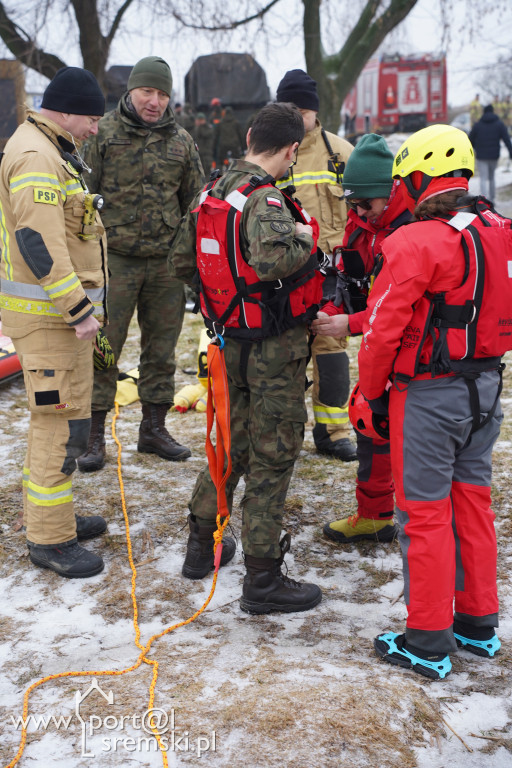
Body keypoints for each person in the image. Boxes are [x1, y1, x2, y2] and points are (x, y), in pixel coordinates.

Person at [358, 124, 506, 679]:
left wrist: (370, 396)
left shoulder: (415, 241)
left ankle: (425, 639)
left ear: (417, 178)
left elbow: (380, 333)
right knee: (472, 503)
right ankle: (478, 624)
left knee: (422, 513)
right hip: (487, 389)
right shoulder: (499, 230)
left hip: (428, 396)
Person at [169, 102, 324, 615]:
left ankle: (201, 547)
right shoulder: (266, 200)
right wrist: (308, 241)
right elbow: (273, 259)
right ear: (291, 149)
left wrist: (221, 304)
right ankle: (262, 579)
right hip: (273, 346)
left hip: (228, 338)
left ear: (250, 134)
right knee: (272, 454)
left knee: (228, 441)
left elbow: (179, 261)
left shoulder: (210, 192)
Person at [0, 67, 108, 578]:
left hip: (57, 321)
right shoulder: (36, 155)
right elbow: (37, 244)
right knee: (58, 427)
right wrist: (78, 309)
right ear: (66, 110)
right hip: (51, 320)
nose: (93, 128)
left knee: (68, 421)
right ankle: (49, 539)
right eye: (91, 118)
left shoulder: (49, 147)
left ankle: (53, 514)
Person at [78, 56, 204, 472]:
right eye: (147, 91)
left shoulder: (182, 141)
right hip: (113, 261)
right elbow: (80, 199)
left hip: (165, 265)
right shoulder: (102, 135)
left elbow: (194, 204)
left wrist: (190, 262)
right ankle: (94, 437)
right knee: (103, 348)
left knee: (162, 351)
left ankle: (153, 429)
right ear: (130, 91)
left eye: (162, 94)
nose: (154, 101)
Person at [311, 134, 411, 543]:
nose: (357, 211)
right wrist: (331, 312)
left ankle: (425, 521)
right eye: (350, 203)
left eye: (364, 203)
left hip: (414, 349)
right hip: (378, 344)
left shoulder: (414, 229)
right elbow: (348, 284)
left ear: (388, 193)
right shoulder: (360, 225)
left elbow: (402, 308)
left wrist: (350, 325)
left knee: (410, 436)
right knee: (371, 420)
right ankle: (374, 515)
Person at [276, 69, 356, 461]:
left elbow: (363, 214)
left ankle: (334, 431)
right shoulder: (269, 155)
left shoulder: (342, 152)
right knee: (285, 354)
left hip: (330, 278)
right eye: (290, 109)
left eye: (304, 110)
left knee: (331, 351)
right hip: (283, 276)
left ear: (316, 112)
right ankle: (284, 434)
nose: (298, 117)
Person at [469, 104, 512, 202]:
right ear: (493, 112)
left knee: (483, 178)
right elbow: (506, 139)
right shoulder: (499, 124)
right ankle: (492, 199)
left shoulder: (478, 125)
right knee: (492, 177)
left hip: (481, 156)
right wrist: (510, 151)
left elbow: (470, 139)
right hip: (494, 155)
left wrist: (475, 148)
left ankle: (484, 200)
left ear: (484, 112)